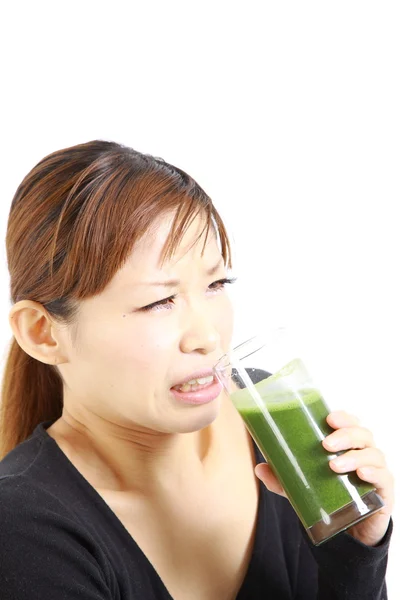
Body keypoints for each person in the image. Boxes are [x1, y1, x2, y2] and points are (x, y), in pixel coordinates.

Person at [0, 140, 394, 600]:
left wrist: (358, 551)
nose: (207, 336)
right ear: (43, 333)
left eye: (216, 284)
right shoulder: (23, 528)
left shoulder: (269, 412)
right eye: (157, 301)